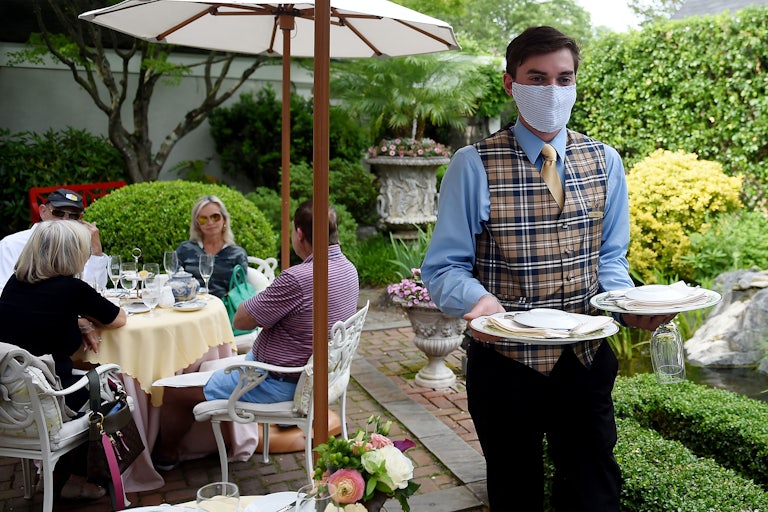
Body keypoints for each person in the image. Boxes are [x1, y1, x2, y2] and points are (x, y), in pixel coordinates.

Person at [421, 26, 674, 512]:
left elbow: (609, 259)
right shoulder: (473, 164)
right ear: (510, 83)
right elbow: (444, 267)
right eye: (537, 78)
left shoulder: (605, 161)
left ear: (575, 82)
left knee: (594, 493)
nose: (552, 91)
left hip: (585, 361)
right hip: (505, 366)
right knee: (515, 494)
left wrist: (626, 305)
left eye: (564, 78)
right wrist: (479, 302)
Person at [153, 200, 359, 470]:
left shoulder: (298, 278)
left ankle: (164, 456)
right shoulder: (348, 269)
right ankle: (213, 443)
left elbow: (241, 319)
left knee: (170, 392)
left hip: (274, 380)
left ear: (299, 234)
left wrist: (270, 301)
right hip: (317, 375)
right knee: (206, 367)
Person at [0, 220, 127, 500]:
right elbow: (118, 319)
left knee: (87, 387)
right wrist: (85, 318)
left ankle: (63, 477)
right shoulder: (71, 289)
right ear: (71, 254)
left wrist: (79, 320)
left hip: (10, 401)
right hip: (49, 398)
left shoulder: (14, 283)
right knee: (110, 389)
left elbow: (41, 317)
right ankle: (80, 478)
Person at [0, 188, 109, 294]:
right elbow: (3, 292)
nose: (65, 220)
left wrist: (96, 252)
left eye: (73, 216)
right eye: (58, 213)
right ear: (43, 212)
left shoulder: (79, 245)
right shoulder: (12, 244)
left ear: (80, 219)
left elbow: (94, 289)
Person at [175, 195, 248, 298]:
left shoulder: (237, 254)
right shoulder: (185, 249)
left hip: (224, 306)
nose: (210, 222)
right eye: (203, 219)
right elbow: (174, 283)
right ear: (197, 223)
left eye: (215, 217)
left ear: (224, 219)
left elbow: (239, 291)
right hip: (190, 305)